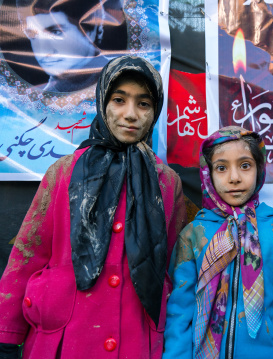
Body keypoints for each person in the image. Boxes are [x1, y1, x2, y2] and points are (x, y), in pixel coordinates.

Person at [0, 56, 186, 358]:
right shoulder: (62, 173)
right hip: (65, 338)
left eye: (143, 104)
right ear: (102, 101)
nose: (130, 114)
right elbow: (27, 255)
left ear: (155, 111)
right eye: (118, 99)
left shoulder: (167, 182)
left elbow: (172, 264)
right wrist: (6, 334)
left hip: (135, 338)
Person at [163, 126, 273, 359]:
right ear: (208, 174)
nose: (234, 178)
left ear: (260, 168)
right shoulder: (193, 235)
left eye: (245, 165)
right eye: (221, 168)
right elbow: (179, 312)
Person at [15, 0, 123, 92]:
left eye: (56, 32)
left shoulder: (123, 78)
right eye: (33, 35)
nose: (44, 51)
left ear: (90, 29)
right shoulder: (40, 98)